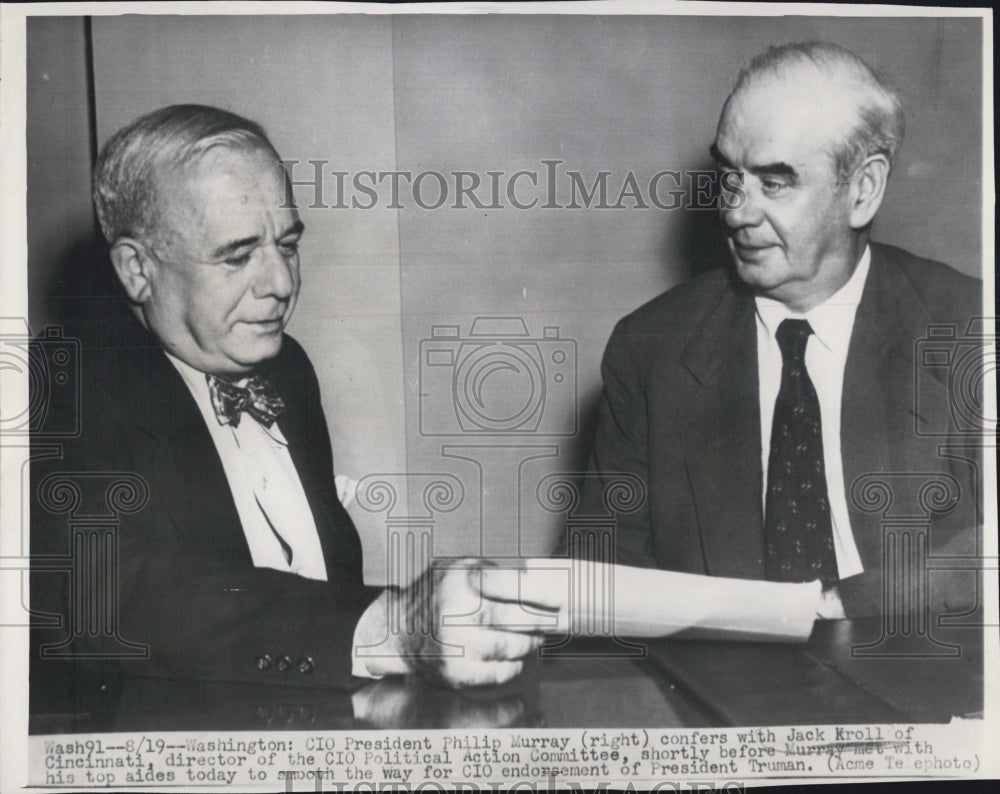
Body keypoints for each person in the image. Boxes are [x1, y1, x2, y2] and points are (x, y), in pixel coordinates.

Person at [30, 104, 553, 696]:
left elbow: (316, 587)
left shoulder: (289, 370)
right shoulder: (56, 385)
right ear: (137, 270)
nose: (281, 283)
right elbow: (106, 597)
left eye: (288, 244)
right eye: (238, 255)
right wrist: (394, 625)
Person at [581, 42, 982, 618]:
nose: (736, 211)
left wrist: (839, 605)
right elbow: (602, 578)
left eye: (775, 183)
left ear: (863, 190)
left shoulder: (968, 329)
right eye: (729, 177)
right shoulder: (649, 351)